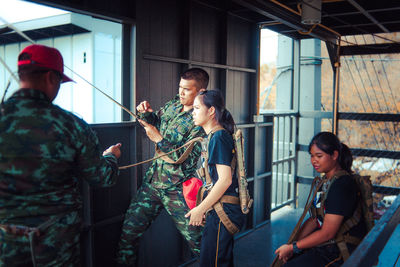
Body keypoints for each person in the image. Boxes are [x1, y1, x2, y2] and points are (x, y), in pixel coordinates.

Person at [0, 44, 122, 266]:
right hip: (54, 240)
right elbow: (102, 177)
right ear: (51, 78)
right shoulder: (71, 125)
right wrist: (111, 156)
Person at [117, 68, 209, 266]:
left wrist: (157, 138)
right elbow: (158, 123)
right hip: (153, 183)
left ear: (200, 91)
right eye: (180, 88)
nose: (181, 93)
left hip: (178, 189)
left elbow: (182, 157)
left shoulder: (201, 119)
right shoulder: (174, 104)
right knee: (128, 233)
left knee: (202, 243)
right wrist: (148, 115)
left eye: (187, 90)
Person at [275, 132, 367, 267]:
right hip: (329, 245)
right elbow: (315, 220)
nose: (314, 161)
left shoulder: (341, 185)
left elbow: (328, 233)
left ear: (334, 155)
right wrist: (293, 247)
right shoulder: (325, 182)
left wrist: (293, 248)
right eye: (312, 156)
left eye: (319, 156)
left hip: (342, 251)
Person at [186, 89, 245, 267]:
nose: (192, 112)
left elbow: (225, 180)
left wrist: (200, 209)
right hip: (219, 208)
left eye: (196, 108)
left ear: (211, 111)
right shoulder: (213, 136)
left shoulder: (218, 137)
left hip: (223, 210)